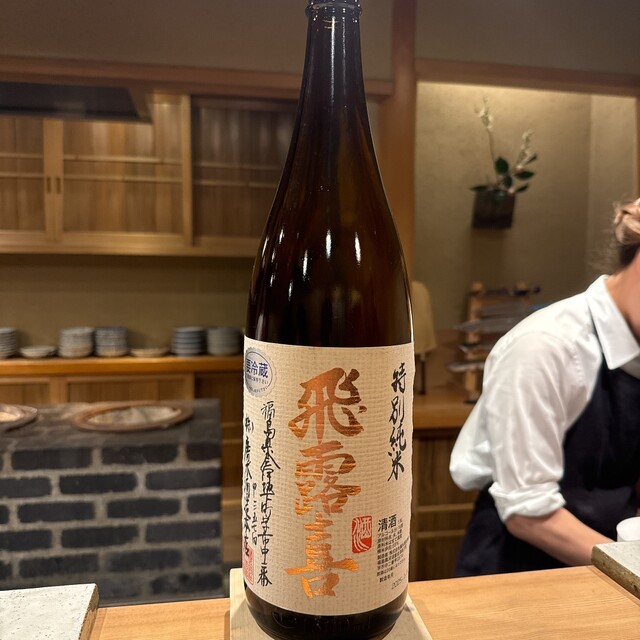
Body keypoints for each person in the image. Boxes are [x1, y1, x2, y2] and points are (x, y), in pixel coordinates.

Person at [449, 198, 640, 576]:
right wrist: (629, 567)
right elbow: (528, 513)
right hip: (516, 569)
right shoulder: (546, 346)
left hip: (606, 566)